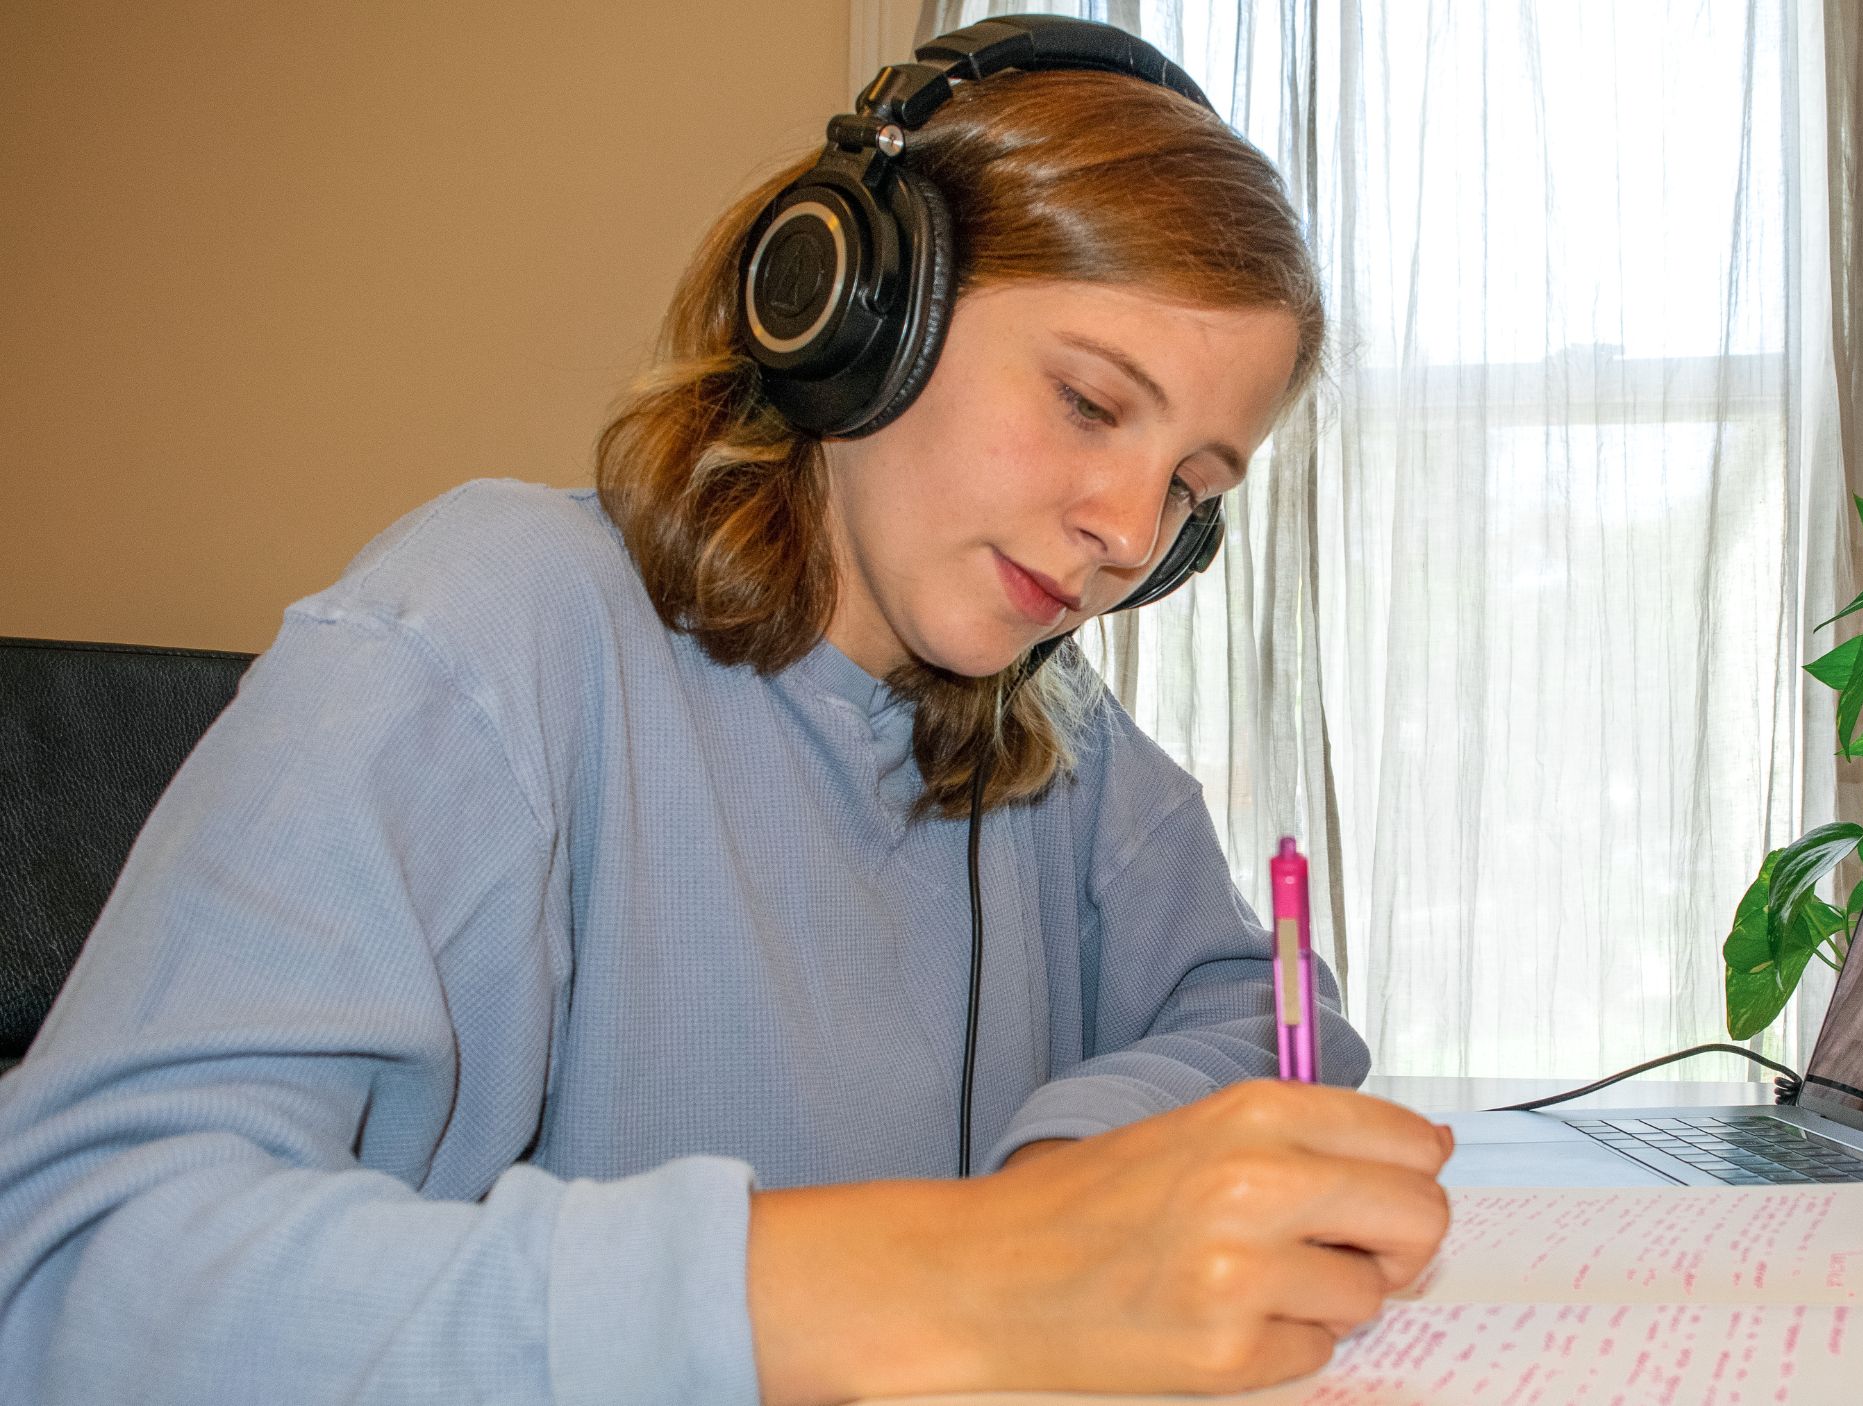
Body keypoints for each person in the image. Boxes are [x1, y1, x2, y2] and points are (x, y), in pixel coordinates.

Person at [0, 21, 1453, 1406]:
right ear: (856, 306)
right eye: (1087, 402)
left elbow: (1263, 1012)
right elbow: (68, 1274)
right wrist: (950, 1272)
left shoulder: (1052, 737)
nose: (1133, 531)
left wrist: (1065, 1179)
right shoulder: (490, 621)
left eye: (1194, 487)